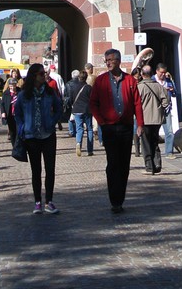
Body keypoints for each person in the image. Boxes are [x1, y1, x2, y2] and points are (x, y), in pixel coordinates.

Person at [89, 48, 144, 213]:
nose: (108, 63)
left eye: (111, 60)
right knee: (113, 163)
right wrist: (101, 122)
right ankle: (115, 200)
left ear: (118, 61)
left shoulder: (130, 80)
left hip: (126, 127)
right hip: (109, 127)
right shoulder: (101, 81)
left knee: (124, 164)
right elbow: (93, 103)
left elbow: (137, 103)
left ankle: (120, 197)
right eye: (106, 60)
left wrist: (140, 124)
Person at [14, 62, 62, 215]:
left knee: (50, 169)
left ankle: (49, 201)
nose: (44, 76)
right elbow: (17, 113)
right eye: (41, 73)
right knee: (36, 170)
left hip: (48, 135)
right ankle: (37, 202)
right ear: (34, 76)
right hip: (31, 136)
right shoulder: (24, 94)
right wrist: (22, 127)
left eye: (45, 73)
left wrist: (52, 121)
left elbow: (59, 107)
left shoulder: (49, 92)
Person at [135, 65, 170, 175]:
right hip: (157, 119)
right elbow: (166, 101)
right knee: (154, 141)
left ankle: (149, 167)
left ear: (142, 74)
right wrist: (159, 108)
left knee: (145, 143)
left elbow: (135, 104)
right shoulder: (159, 86)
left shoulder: (139, 87)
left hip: (144, 119)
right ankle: (157, 164)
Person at [66, 69, 94, 157]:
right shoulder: (89, 88)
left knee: (79, 129)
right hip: (87, 110)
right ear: (86, 78)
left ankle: (78, 143)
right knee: (89, 129)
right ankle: (90, 150)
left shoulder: (74, 87)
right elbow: (92, 99)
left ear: (79, 77)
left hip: (77, 109)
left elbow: (71, 98)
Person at [155, 63, 176, 155]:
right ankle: (154, 151)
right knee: (154, 132)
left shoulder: (168, 80)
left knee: (169, 132)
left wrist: (172, 89)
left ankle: (169, 152)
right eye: (161, 72)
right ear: (157, 71)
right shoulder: (152, 80)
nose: (163, 74)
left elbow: (175, 93)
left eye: (164, 72)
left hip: (167, 109)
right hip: (155, 110)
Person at [0, 77, 20, 146]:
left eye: (14, 85)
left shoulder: (20, 92)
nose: (12, 87)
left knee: (18, 130)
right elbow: (2, 104)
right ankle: (14, 145)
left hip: (18, 114)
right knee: (12, 131)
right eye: (11, 86)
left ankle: (18, 145)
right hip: (10, 114)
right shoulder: (6, 93)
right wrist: (3, 112)